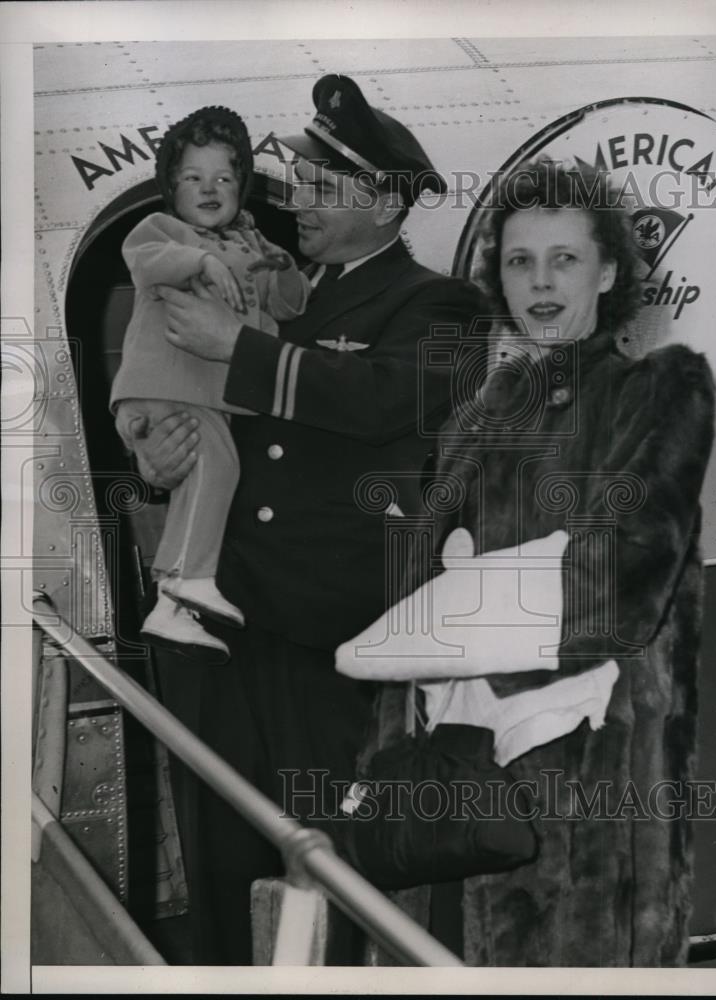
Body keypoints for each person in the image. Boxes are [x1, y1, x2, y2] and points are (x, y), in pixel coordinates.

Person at [123, 74, 483, 963]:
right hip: (224, 618)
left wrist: (234, 348)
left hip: (329, 642)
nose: (300, 199)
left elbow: (370, 399)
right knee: (220, 860)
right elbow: (190, 394)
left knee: (327, 869)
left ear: (390, 202)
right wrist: (156, 449)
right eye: (301, 181)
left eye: (326, 187)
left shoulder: (442, 308)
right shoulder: (280, 283)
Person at [352, 159, 716, 966]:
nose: (541, 282)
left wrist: (450, 614)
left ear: (610, 271)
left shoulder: (657, 391)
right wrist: (383, 769)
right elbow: (408, 618)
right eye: (520, 261)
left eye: (566, 259)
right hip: (446, 797)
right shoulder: (477, 420)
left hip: (584, 797)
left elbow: (612, 591)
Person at [111, 106, 309, 662]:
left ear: (242, 188)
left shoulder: (252, 245)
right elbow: (144, 260)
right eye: (193, 178)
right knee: (217, 468)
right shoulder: (162, 230)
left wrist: (283, 267)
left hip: (202, 396)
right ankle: (188, 579)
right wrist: (201, 259)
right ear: (170, 187)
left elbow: (290, 305)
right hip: (169, 384)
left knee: (203, 479)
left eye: (224, 178)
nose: (209, 188)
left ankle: (171, 607)